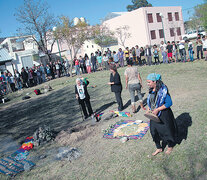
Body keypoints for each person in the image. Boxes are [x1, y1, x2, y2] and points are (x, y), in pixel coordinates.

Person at [146, 73, 177, 156]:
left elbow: (169, 103)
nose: (147, 84)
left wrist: (158, 109)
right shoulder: (151, 89)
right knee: (153, 131)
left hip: (164, 114)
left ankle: (170, 145)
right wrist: (148, 109)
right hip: (154, 115)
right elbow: (151, 101)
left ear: (155, 82)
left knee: (167, 131)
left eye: (149, 82)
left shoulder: (163, 91)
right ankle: (159, 148)